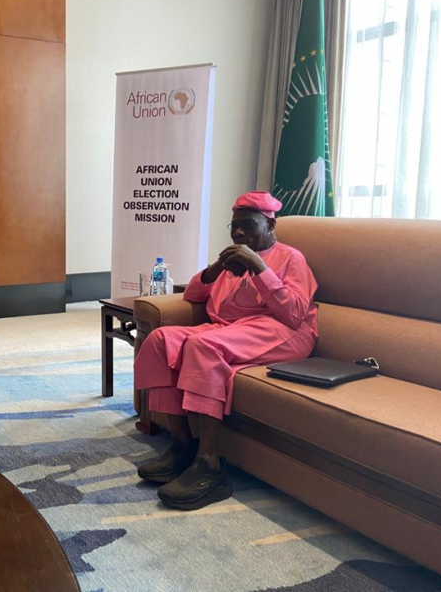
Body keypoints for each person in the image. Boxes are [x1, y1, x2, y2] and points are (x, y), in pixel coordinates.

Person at [134, 191, 317, 510]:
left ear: (270, 224)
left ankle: (211, 467)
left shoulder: (290, 258)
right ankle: (182, 446)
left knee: (203, 346)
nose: (239, 232)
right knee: (161, 340)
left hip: (281, 330)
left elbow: (295, 313)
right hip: (229, 330)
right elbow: (192, 295)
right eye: (234, 226)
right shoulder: (230, 261)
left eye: (247, 225)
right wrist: (217, 267)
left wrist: (259, 267)